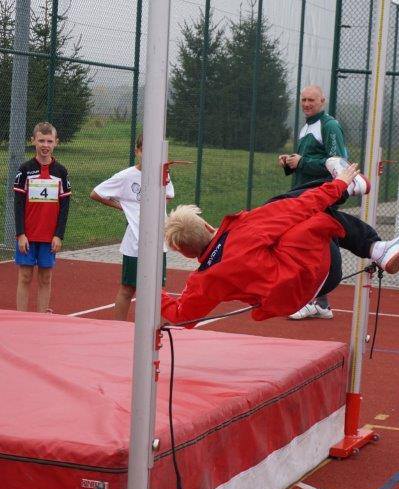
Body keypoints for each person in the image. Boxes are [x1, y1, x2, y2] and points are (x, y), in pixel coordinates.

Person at [161, 164, 399, 326]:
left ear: (186, 254)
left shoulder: (204, 280)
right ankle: (373, 243)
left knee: (293, 214)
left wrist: (152, 291)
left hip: (294, 300)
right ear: (207, 227)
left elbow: (184, 316)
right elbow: (300, 206)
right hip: (321, 267)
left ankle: (348, 190)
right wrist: (337, 186)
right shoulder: (244, 228)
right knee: (294, 208)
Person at [278, 85, 359, 320]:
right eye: (303, 100)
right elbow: (309, 160)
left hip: (321, 195)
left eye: (311, 100)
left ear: (322, 100)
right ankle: (321, 302)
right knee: (319, 243)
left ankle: (312, 298)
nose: (306, 104)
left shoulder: (329, 125)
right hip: (305, 195)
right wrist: (290, 162)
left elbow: (337, 163)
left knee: (312, 245)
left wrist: (301, 162)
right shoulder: (306, 126)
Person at [90, 134, 174, 320]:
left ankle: (154, 331)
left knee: (157, 292)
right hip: (135, 243)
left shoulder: (163, 175)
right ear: (137, 151)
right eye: (145, 151)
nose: (149, 155)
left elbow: (169, 195)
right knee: (128, 288)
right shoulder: (126, 176)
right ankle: (117, 328)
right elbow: (96, 193)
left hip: (158, 242)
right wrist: (122, 206)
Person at [14, 122, 71, 312]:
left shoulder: (61, 172)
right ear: (33, 141)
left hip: (49, 237)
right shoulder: (24, 169)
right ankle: (21, 318)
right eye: (41, 141)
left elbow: (64, 207)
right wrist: (20, 234)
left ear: (56, 142)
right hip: (28, 236)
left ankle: (42, 320)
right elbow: (18, 204)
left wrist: (58, 235)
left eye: (49, 141)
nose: (45, 145)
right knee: (25, 277)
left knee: (45, 278)